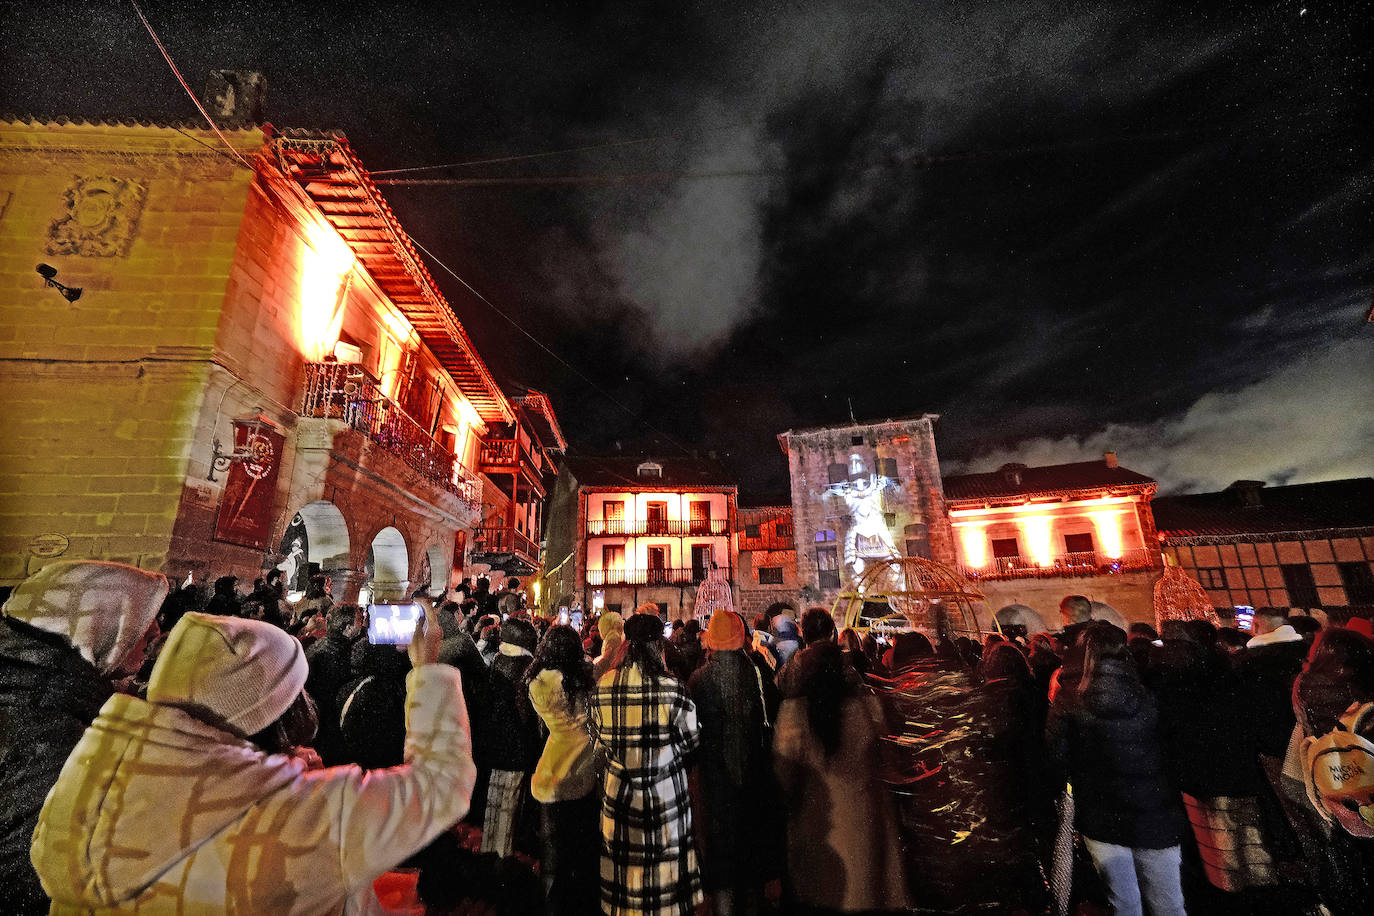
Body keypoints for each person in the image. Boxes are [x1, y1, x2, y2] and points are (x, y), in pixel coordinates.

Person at [31, 602, 477, 914]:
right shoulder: (305, 817)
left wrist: (275, 771)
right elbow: (441, 783)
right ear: (273, 710)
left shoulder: (85, 796)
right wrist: (427, 669)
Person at [1, 561, 168, 916]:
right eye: (143, 616)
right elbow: (32, 874)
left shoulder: (42, 686)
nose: (154, 631)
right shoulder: (47, 721)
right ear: (99, 623)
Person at [1045, 622, 1185, 916]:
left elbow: (1056, 757)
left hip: (1101, 811)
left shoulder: (1068, 695)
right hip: (1154, 809)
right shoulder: (1146, 688)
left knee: (1123, 903)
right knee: (1169, 902)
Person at [772, 639, 910, 912]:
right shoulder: (866, 710)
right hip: (864, 828)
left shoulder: (794, 714)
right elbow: (887, 762)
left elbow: (783, 778)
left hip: (817, 831)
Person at [589, 612, 703, 916]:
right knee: (664, 889)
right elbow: (692, 741)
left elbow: (599, 738)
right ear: (658, 645)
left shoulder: (604, 686)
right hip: (664, 797)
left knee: (626, 886)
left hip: (621, 796)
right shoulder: (673, 689)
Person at [688, 612, 784, 915]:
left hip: (716, 785)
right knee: (752, 869)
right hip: (756, 781)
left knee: (724, 872)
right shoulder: (758, 675)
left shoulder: (699, 680)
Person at [525, 624, 600, 915]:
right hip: (581, 764)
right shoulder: (582, 679)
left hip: (549, 766)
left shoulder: (535, 682)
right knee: (582, 853)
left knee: (552, 858)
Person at [480, 616, 542, 859]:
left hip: (495, 746)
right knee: (510, 804)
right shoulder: (527, 669)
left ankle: (489, 850)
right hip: (517, 748)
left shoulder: (497, 663)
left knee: (494, 801)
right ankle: (502, 857)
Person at [593, 609, 624, 680]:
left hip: (609, 675)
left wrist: (594, 668)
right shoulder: (616, 636)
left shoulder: (613, 637)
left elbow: (607, 659)